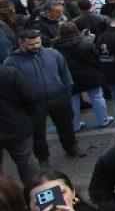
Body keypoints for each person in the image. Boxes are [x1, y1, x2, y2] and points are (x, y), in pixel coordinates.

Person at [5, 28, 84, 168]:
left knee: (66, 125)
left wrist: (67, 89)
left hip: (59, 98)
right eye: (31, 44)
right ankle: (43, 159)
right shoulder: (12, 61)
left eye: (38, 43)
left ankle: (71, 147)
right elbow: (11, 85)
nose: (36, 46)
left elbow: (64, 71)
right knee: (38, 133)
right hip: (34, 104)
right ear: (21, 43)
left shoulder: (52, 53)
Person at [53, 22, 113, 132]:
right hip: (90, 74)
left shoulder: (56, 47)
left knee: (73, 101)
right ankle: (104, 119)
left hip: (69, 77)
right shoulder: (85, 43)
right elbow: (96, 57)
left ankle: (75, 125)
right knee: (97, 96)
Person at [0, 63, 38, 183]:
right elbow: (30, 98)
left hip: (15, 125)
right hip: (16, 126)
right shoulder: (9, 73)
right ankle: (42, 197)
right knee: (27, 162)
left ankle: (4, 198)